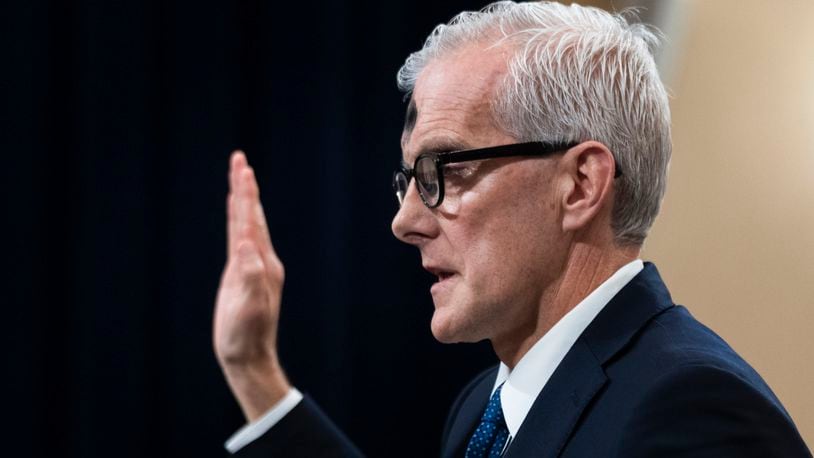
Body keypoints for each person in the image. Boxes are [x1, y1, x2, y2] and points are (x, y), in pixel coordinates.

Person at [212, 1, 811, 457]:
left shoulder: (694, 413)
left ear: (579, 185)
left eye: (446, 169)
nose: (405, 222)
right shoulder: (482, 407)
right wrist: (253, 371)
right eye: (408, 179)